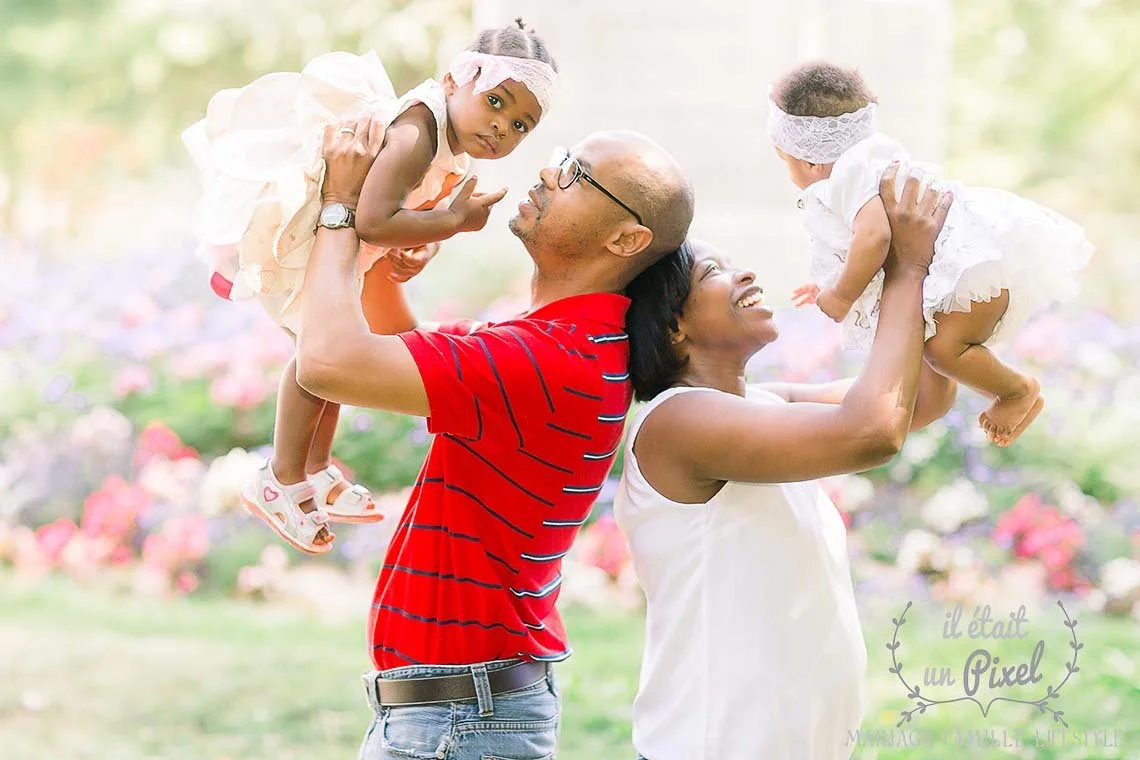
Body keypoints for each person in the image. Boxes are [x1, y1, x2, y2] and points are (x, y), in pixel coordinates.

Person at [299, 113, 694, 758]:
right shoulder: (560, 343)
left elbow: (328, 362)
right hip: (461, 713)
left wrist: (343, 208)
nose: (545, 172)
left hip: (458, 721)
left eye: (573, 174)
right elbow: (386, 350)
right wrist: (379, 258)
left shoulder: (552, 360)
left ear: (627, 238)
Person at [182, 20, 559, 552]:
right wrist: (450, 223)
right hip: (311, 234)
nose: (503, 127)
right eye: (496, 102)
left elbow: (400, 215)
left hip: (341, 246)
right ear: (454, 81)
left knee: (336, 354)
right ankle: (281, 476)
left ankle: (314, 467)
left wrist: (422, 240)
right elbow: (374, 221)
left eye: (521, 124)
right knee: (318, 354)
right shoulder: (416, 134)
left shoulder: (449, 143)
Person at [613, 166, 950, 760]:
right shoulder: (677, 422)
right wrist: (907, 270)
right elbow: (873, 432)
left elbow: (919, 399)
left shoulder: (763, 403)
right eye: (712, 271)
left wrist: (939, 275)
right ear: (672, 329)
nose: (745, 272)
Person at [770, 60, 1093, 446]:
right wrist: (833, 280)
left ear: (809, 159)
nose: (791, 176)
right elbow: (866, 245)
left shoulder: (847, 174)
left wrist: (841, 295)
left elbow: (874, 239)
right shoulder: (869, 158)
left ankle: (1016, 391)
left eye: (785, 162)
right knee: (926, 399)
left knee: (943, 351)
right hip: (958, 268)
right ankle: (1012, 395)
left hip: (960, 271)